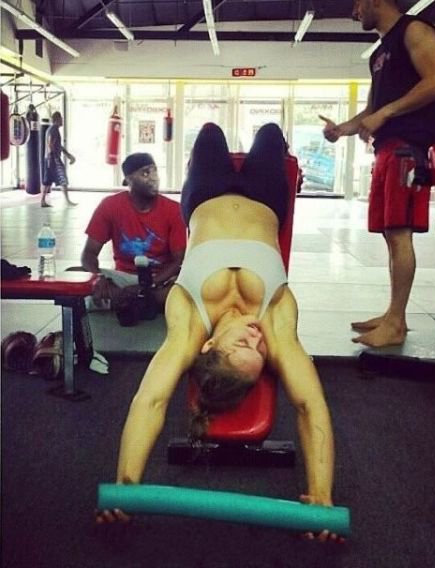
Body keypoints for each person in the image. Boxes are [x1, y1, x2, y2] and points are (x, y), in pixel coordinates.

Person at [97, 123, 343, 544]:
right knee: (270, 133)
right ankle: (269, 139)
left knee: (209, 133)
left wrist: (126, 483)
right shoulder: (274, 317)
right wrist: (321, 494)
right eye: (260, 350)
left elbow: (151, 399)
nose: (256, 337)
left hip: (205, 196)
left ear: (209, 344)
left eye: (242, 343)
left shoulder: (190, 319)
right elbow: (309, 404)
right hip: (266, 199)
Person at [320, 0, 435, 348]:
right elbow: (373, 109)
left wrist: (387, 114)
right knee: (391, 234)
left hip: (409, 148)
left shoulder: (415, 31)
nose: (354, 11)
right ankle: (393, 315)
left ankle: (396, 323)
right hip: (387, 148)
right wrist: (342, 129)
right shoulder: (379, 53)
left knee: (400, 232)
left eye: (357, 2)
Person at [81, 152, 186, 326]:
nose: (153, 178)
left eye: (155, 171)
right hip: (123, 279)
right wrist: (98, 278)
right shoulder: (110, 206)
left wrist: (146, 286)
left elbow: (178, 260)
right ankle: (143, 303)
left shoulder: (174, 210)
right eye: (145, 173)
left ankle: (133, 301)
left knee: (185, 290)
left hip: (159, 280)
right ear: (128, 180)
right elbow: (89, 255)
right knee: (80, 282)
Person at [41, 111, 77, 207]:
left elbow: (58, 145)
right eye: (61, 119)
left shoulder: (51, 129)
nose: (62, 121)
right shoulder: (54, 130)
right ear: (57, 119)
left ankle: (43, 200)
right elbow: (51, 144)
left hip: (49, 159)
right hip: (53, 158)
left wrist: (68, 155)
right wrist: (54, 157)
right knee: (62, 177)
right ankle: (67, 201)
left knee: (48, 180)